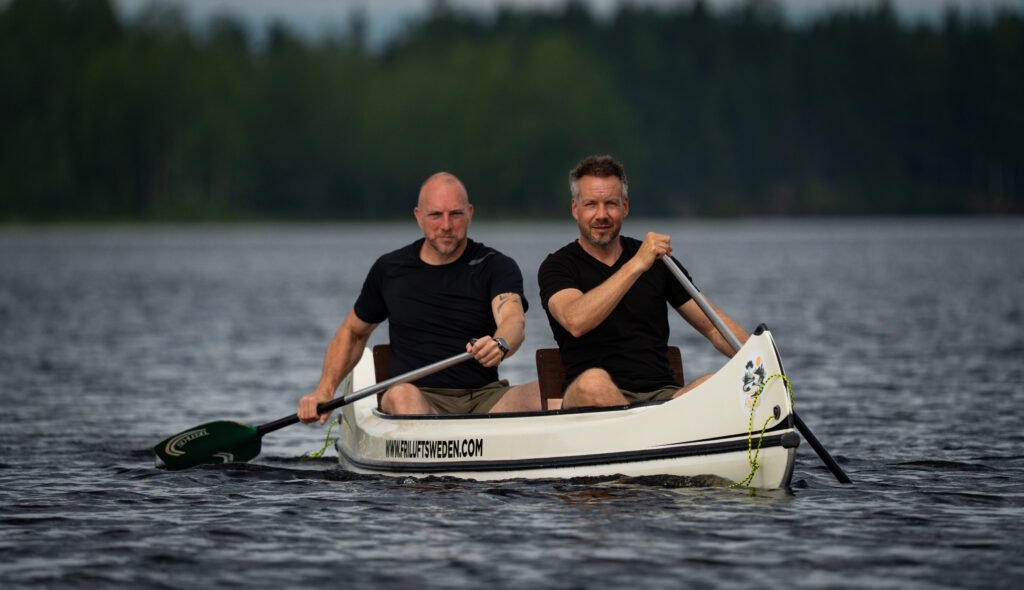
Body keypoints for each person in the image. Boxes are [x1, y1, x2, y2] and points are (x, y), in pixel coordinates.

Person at [297, 172, 540, 421]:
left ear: (470, 213)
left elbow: (513, 320)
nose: (446, 225)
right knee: (403, 395)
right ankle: (431, 433)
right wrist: (324, 391)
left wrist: (500, 343)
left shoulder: (496, 266)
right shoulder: (390, 269)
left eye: (455, 214)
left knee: (545, 393)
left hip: (484, 397)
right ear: (418, 217)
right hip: (415, 396)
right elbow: (353, 333)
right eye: (435, 215)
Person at [537, 155, 749, 409]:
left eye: (611, 204)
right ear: (575, 209)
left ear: (625, 207)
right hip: (590, 401)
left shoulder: (658, 261)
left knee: (717, 382)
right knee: (593, 383)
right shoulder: (558, 266)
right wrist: (637, 264)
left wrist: (760, 360)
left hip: (662, 398)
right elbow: (576, 321)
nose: (601, 215)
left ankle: (659, 424)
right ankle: (646, 425)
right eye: (591, 204)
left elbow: (715, 328)